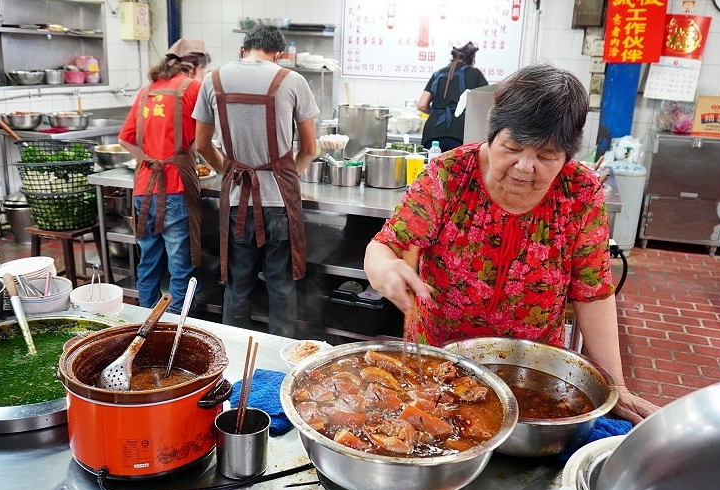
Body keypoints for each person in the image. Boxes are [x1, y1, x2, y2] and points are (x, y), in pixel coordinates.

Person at [364, 62, 659, 426]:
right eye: (512, 147)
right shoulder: (449, 175)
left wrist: (617, 386)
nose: (524, 166)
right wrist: (384, 268)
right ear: (493, 133)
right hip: (437, 364)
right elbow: (385, 246)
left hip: (530, 373)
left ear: (568, 155)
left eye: (546, 157)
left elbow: (593, 292)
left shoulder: (580, 192)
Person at [194, 24, 318, 338]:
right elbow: (310, 149)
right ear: (278, 53)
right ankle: (279, 361)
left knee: (237, 285)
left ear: (243, 49)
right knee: (280, 286)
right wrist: (288, 175)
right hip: (279, 203)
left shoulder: (213, 79)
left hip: (237, 201)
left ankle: (233, 357)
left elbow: (202, 145)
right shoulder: (292, 80)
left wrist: (228, 170)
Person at [117, 38, 211, 314]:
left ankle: (145, 319)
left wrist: (150, 157)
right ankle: (174, 328)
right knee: (180, 264)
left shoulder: (148, 91)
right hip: (174, 189)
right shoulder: (193, 88)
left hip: (143, 188)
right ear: (196, 67)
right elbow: (204, 140)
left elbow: (124, 139)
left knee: (148, 260)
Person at [417, 41, 488, 152]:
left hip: (433, 131)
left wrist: (436, 113)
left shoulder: (438, 74)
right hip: (460, 132)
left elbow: (421, 105)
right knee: (455, 168)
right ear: (472, 58)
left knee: (432, 167)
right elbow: (487, 103)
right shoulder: (475, 74)